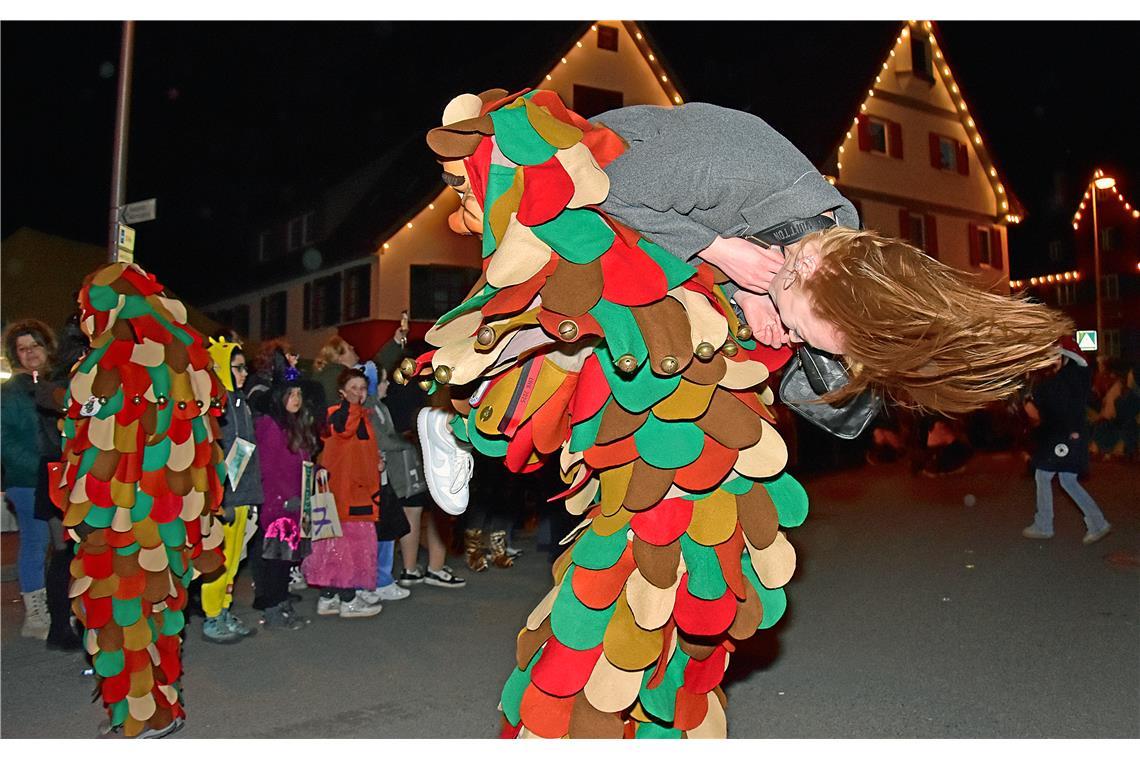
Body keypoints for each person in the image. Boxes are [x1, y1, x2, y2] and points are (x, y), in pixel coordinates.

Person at [413, 89, 1069, 738]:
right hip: (565, 171)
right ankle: (454, 404)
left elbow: (833, 403)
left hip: (690, 247)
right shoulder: (737, 162)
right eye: (808, 328)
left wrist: (763, 304)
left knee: (672, 377)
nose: (799, 338)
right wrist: (716, 252)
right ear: (808, 267)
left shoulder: (820, 255)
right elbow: (606, 184)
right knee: (605, 285)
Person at [374, 328, 467, 589]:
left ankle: (410, 568)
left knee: (411, 510)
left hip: (404, 455)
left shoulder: (397, 381)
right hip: (428, 451)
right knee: (441, 508)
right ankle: (435, 567)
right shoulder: (431, 383)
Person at [301, 368, 383, 618]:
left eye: (362, 388)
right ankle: (348, 600)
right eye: (353, 388)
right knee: (352, 547)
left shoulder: (358, 416)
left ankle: (328, 598)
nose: (358, 393)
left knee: (332, 546)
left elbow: (353, 451)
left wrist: (374, 463)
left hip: (342, 490)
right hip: (348, 492)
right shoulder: (342, 415)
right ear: (341, 392)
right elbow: (344, 430)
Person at [200, 338, 263, 644]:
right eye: (237, 368)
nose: (243, 374)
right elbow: (210, 457)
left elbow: (248, 455)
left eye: (244, 368)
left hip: (242, 495)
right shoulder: (214, 407)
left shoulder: (240, 403)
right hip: (225, 499)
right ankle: (212, 616)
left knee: (234, 560)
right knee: (219, 559)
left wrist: (251, 498)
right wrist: (218, 499)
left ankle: (224, 609)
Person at [1021, 338, 1112, 544]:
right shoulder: (1076, 377)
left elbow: (1055, 403)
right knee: (1067, 480)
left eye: (1055, 356)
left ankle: (1044, 525)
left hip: (1066, 437)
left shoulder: (1064, 380)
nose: (1052, 360)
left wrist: (1030, 396)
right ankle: (1097, 522)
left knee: (1043, 474)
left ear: (1066, 356)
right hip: (1071, 435)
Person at [1, 320, 56, 640]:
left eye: (34, 345)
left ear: (46, 347)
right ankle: (35, 613)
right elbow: (4, 441)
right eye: (23, 349)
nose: (30, 353)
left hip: (61, 477)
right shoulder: (8, 394)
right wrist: (39, 467)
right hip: (27, 480)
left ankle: (60, 604)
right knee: (36, 543)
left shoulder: (58, 384)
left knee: (63, 547)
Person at [253, 375, 317, 629]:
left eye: (299, 395)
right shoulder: (271, 425)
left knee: (286, 559)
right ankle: (273, 608)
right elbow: (268, 468)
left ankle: (281, 603)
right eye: (291, 395)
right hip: (279, 505)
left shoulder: (294, 425)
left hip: (294, 502)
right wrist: (281, 498)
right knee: (276, 561)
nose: (296, 400)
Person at [362, 365, 416, 600]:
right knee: (380, 531)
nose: (387, 385)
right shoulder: (370, 409)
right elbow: (383, 441)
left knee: (386, 530)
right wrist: (409, 443)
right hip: (374, 477)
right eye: (382, 381)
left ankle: (382, 578)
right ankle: (378, 580)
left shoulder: (379, 406)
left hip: (384, 476)